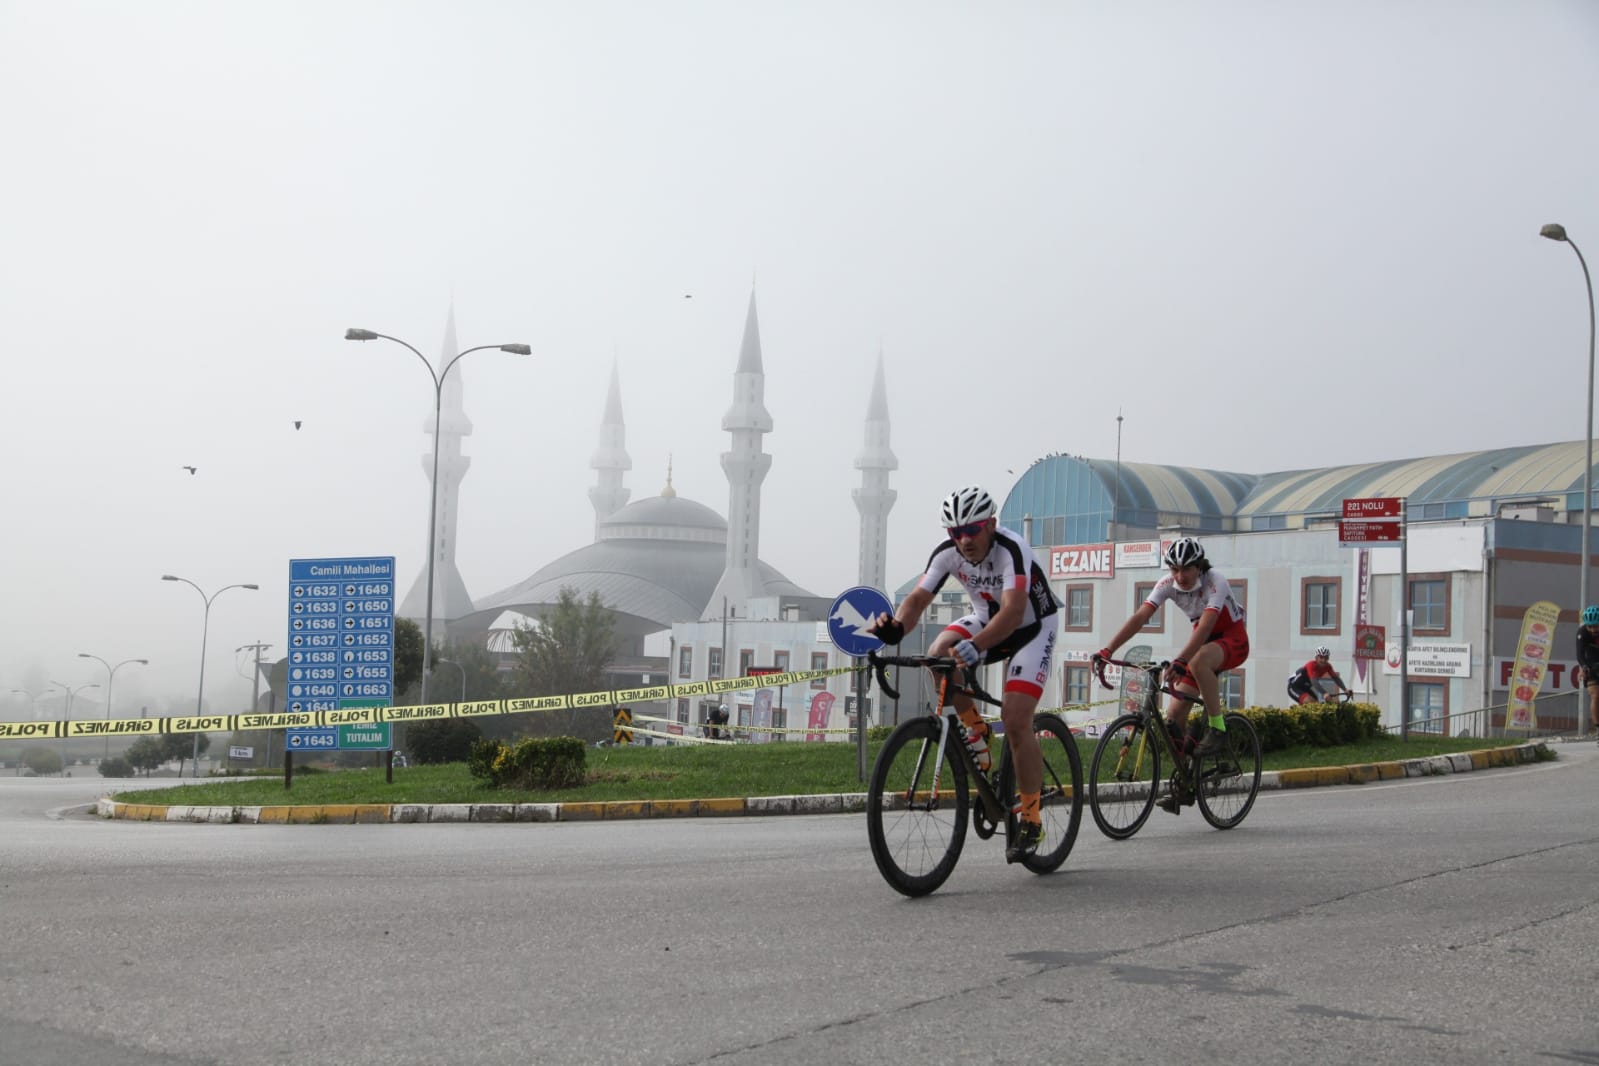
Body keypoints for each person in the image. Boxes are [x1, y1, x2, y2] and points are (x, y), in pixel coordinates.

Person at [868, 486, 1060, 863]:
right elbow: (918, 601)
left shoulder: (1012, 549)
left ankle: (1032, 817)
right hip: (989, 620)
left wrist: (977, 646)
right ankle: (977, 730)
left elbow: (1013, 609)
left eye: (972, 530)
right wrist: (896, 629)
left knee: (1017, 719)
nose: (964, 540)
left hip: (1031, 627)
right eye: (955, 533)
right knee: (937, 656)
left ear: (990, 524)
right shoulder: (947, 554)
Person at [1092, 536, 1249, 814]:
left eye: (1186, 569)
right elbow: (1140, 617)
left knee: (1198, 662)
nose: (1180, 576)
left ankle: (1218, 728)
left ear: (1199, 566)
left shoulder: (1216, 581)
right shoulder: (1167, 584)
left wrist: (1180, 660)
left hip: (1232, 639)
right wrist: (1107, 649)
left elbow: (1206, 627)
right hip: (1201, 645)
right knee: (1174, 718)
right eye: (1174, 569)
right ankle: (1185, 784)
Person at [1287, 646, 1353, 705]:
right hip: (1294, 687)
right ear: (1316, 658)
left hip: (1305, 688)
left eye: (1326, 658)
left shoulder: (1328, 666)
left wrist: (1345, 689)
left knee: (1317, 705)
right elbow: (1314, 682)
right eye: (1321, 657)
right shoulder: (1311, 665)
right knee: (1311, 703)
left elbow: (1336, 678)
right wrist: (1324, 693)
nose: (1323, 660)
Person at [1574, 606, 1599, 735]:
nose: (1593, 629)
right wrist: (1584, 668)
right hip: (1591, 663)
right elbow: (1580, 654)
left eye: (1596, 626)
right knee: (1595, 695)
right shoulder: (1582, 632)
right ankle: (1598, 728)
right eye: (1590, 626)